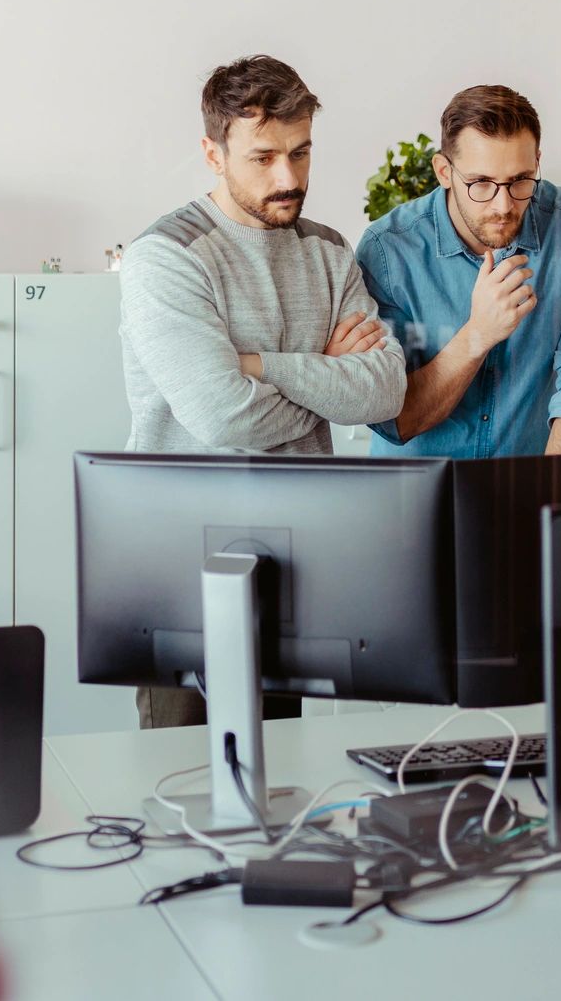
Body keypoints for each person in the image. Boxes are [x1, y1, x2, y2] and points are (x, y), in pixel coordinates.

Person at [118, 54, 406, 726]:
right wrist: (322, 369)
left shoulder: (329, 251)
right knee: (179, 774)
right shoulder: (166, 256)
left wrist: (257, 365)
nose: (289, 178)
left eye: (301, 153)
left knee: (285, 774)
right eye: (264, 158)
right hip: (184, 566)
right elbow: (222, 416)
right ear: (213, 154)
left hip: (297, 555)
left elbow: (384, 391)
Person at [356, 85, 561, 457]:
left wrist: (551, 486)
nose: (503, 205)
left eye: (520, 180)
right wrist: (478, 334)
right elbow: (395, 420)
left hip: (532, 478)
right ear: (444, 171)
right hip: (415, 485)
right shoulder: (388, 250)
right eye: (481, 183)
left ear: (537, 162)